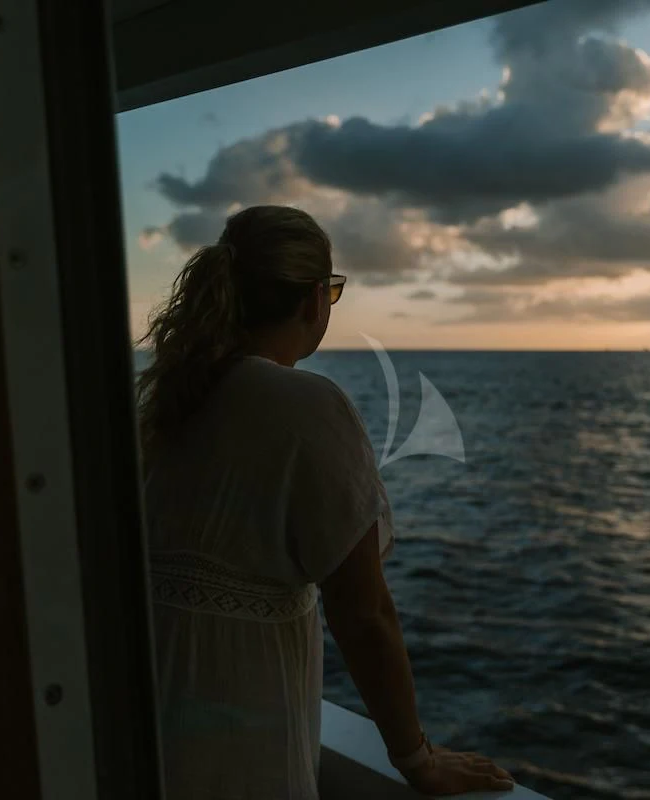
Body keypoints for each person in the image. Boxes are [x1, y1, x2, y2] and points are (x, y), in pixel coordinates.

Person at [137, 205, 514, 799]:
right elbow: (362, 611)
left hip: (148, 719)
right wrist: (417, 760)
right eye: (332, 293)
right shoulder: (305, 405)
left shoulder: (173, 398)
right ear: (315, 299)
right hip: (240, 735)